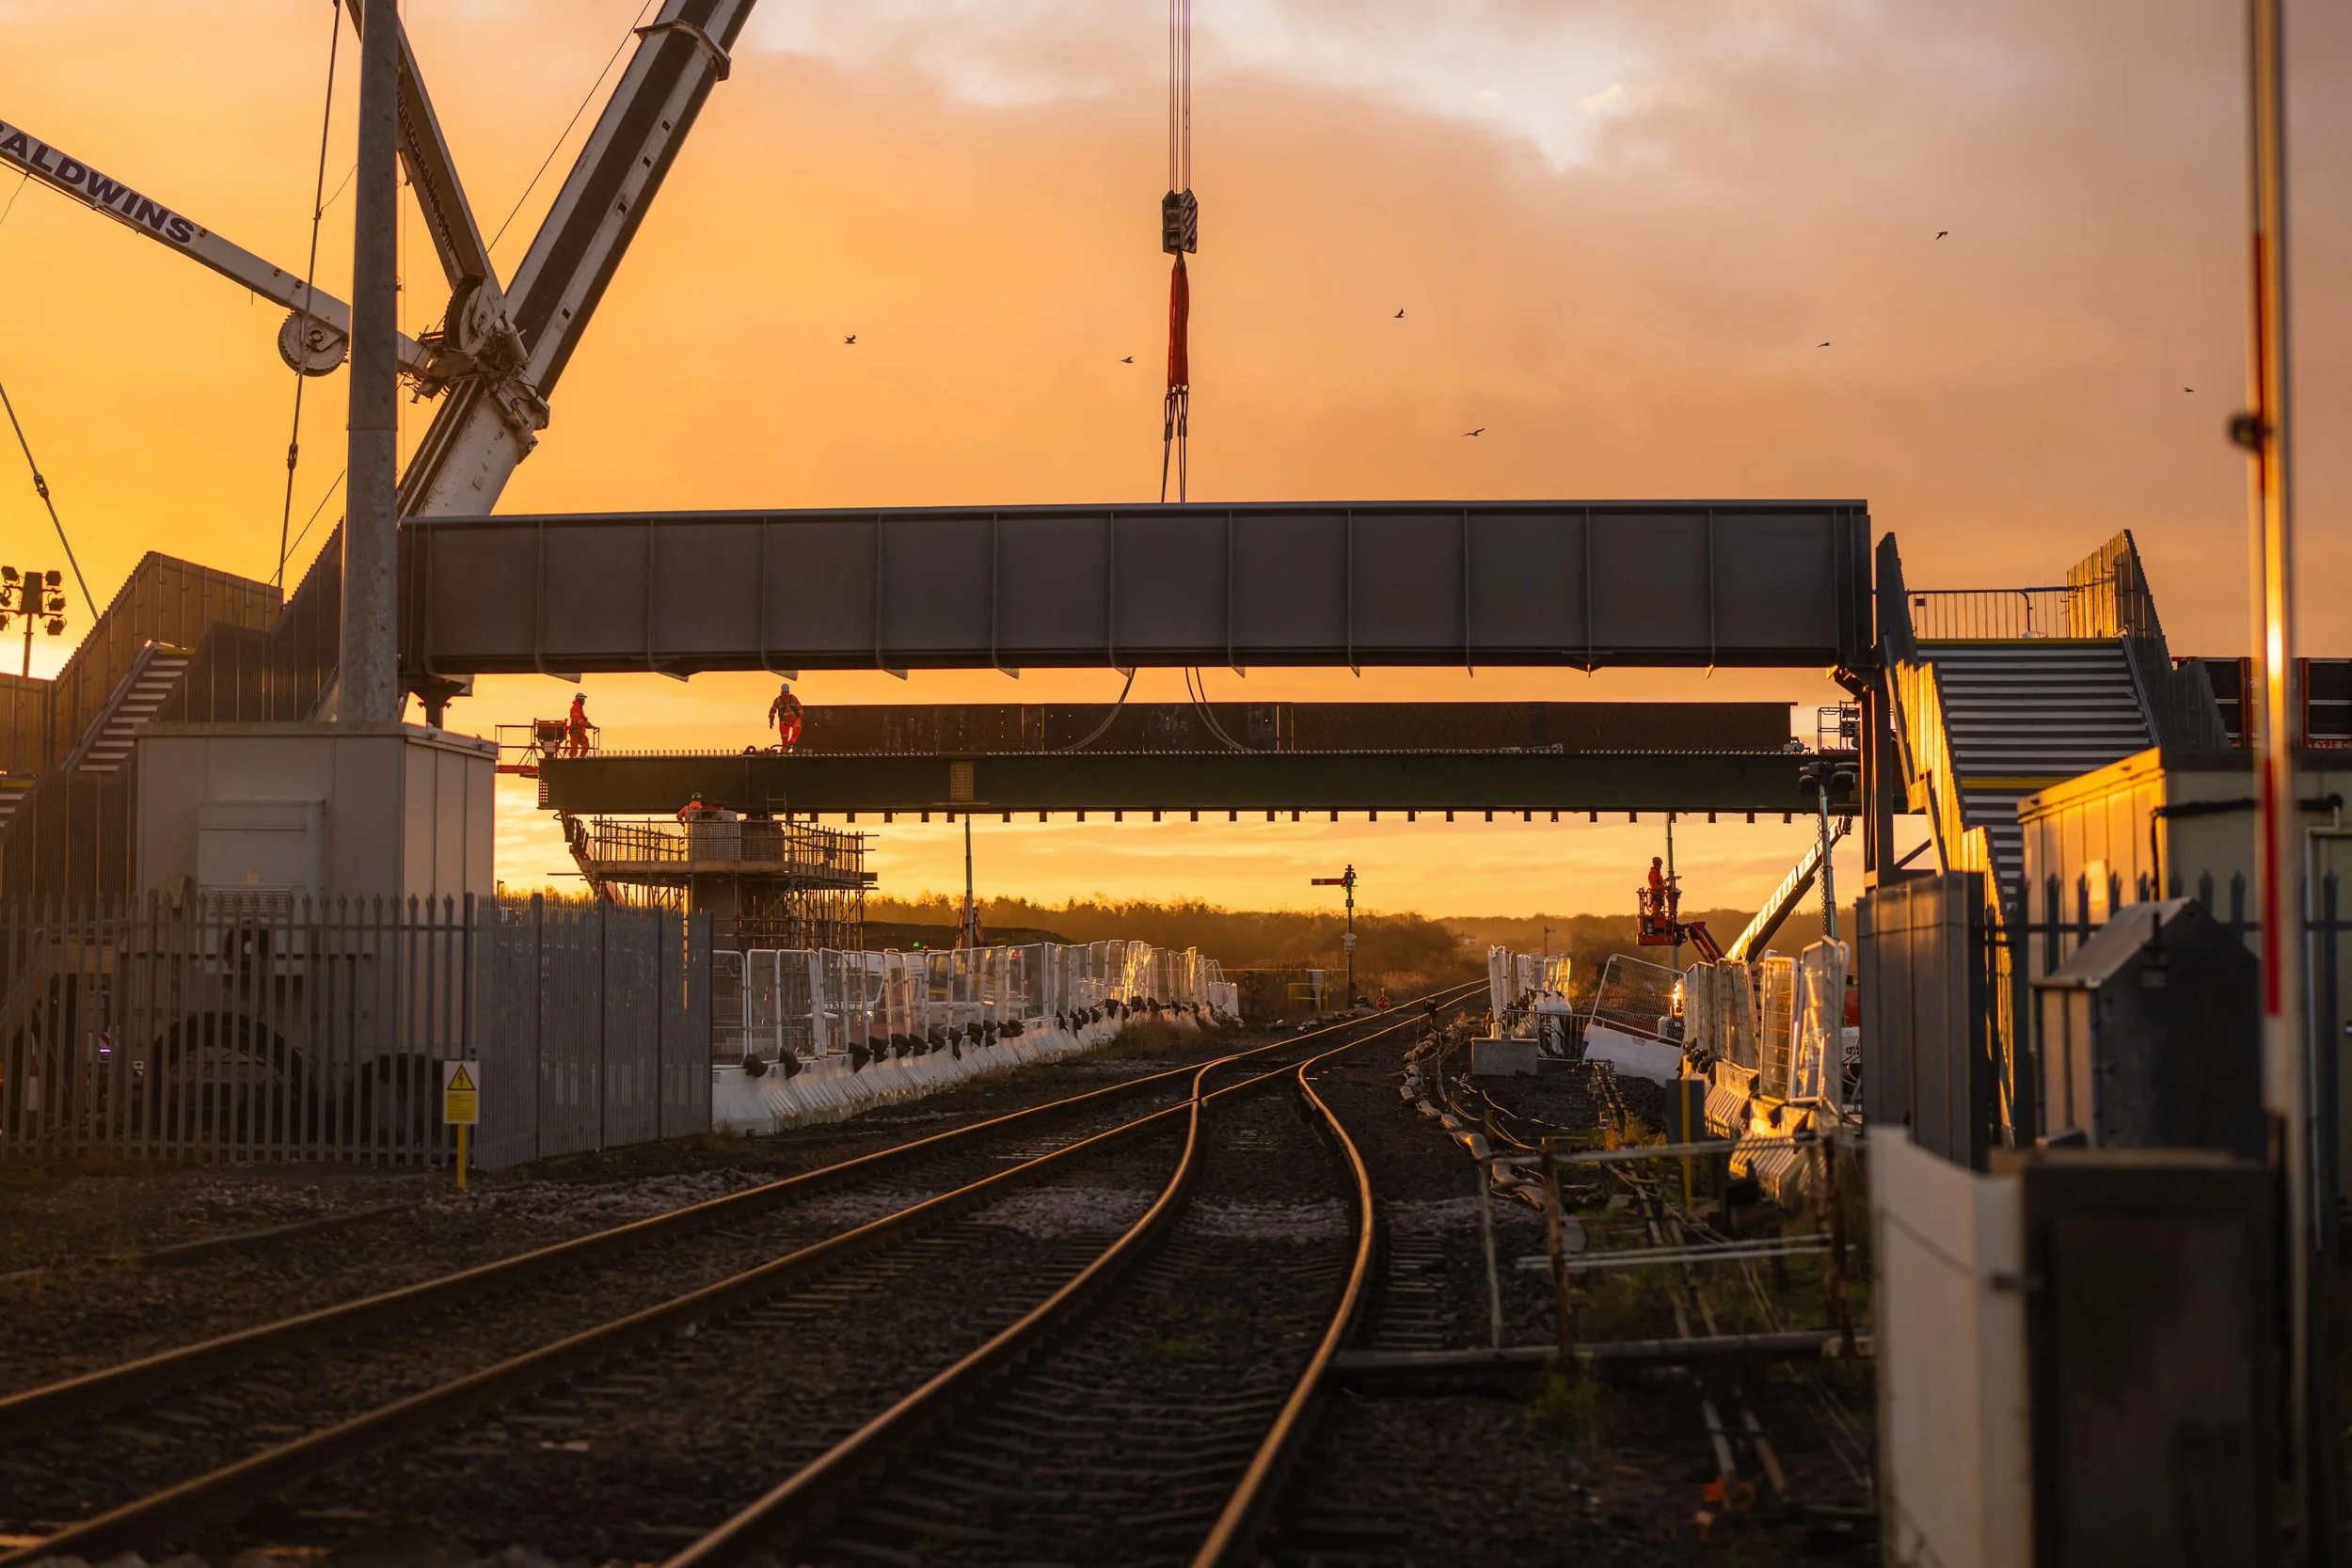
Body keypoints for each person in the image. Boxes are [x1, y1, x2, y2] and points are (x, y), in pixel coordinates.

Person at [768, 679, 803, 752]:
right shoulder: (778, 700)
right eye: (784, 692)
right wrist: (771, 722)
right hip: (784, 722)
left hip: (794, 720)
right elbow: (772, 712)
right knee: (784, 737)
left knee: (797, 728)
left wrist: (799, 719)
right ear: (781, 692)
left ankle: (790, 744)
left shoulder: (793, 698)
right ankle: (785, 750)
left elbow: (799, 708)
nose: (785, 693)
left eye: (786, 692)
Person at [564, 691, 592, 756]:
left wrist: (590, 725)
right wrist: (586, 725)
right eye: (583, 700)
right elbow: (577, 721)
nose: (584, 701)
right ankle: (572, 761)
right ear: (579, 700)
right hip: (575, 732)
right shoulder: (574, 708)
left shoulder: (579, 708)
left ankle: (581, 758)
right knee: (574, 749)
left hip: (580, 732)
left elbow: (583, 719)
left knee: (586, 745)